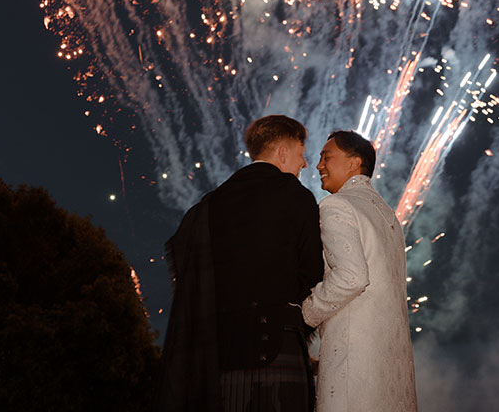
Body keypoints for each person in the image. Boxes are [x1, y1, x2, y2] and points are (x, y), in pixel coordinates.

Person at [159, 114, 324, 412]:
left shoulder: (209, 204)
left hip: (218, 359)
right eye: (301, 155)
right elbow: (313, 274)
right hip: (279, 345)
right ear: (283, 152)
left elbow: (186, 273)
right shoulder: (296, 196)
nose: (305, 164)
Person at [302, 131, 418, 412]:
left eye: (326, 157)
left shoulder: (337, 205)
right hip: (392, 367)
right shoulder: (388, 216)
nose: (318, 166)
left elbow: (351, 277)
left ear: (354, 163)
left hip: (352, 369)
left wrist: (304, 313)